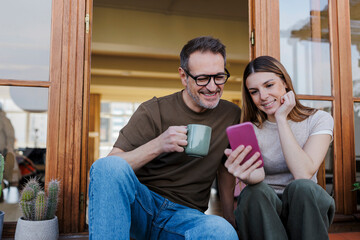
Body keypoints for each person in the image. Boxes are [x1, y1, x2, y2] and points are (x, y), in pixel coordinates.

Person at [89, 36, 241, 239]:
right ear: (183, 75)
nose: (213, 87)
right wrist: (159, 144)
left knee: (222, 231)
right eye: (202, 78)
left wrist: (230, 220)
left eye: (219, 77)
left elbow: (225, 170)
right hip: (142, 207)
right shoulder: (153, 111)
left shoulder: (231, 115)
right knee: (105, 166)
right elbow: (111, 167)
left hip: (185, 218)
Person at [224, 56, 335, 240]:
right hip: (265, 210)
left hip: (305, 208)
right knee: (254, 191)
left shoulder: (318, 119)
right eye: (254, 91)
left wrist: (281, 119)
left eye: (269, 85)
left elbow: (303, 173)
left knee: (302, 187)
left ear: (284, 82)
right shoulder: (249, 129)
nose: (263, 96)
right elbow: (258, 178)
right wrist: (247, 176)